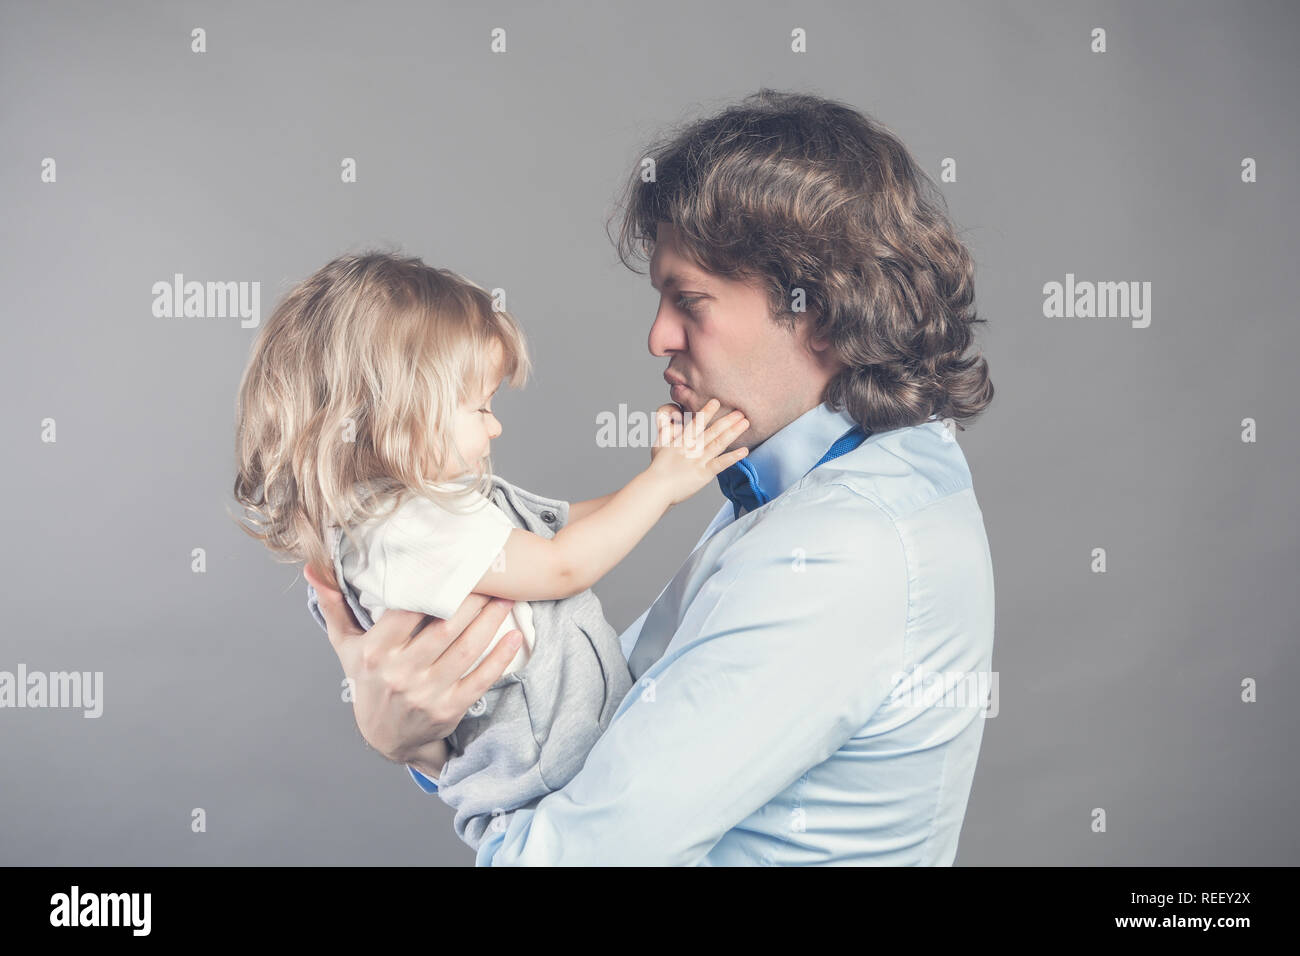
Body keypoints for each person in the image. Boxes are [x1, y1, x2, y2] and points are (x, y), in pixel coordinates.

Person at [307, 89, 997, 865]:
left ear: (826, 311)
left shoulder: (844, 549)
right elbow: (607, 717)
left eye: (690, 300)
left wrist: (419, 749)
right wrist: (427, 736)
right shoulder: (835, 473)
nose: (657, 336)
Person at [232, 252, 750, 849]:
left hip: (563, 765)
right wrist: (659, 487)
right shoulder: (399, 528)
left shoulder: (425, 509)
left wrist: (660, 483)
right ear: (395, 413)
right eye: (480, 407)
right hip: (546, 784)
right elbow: (562, 565)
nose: (495, 426)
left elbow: (553, 535)